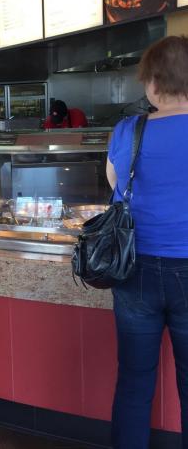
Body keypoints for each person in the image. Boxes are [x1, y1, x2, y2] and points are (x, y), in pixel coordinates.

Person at [106, 35, 188, 448]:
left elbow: (115, 185)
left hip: (134, 267)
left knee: (135, 380)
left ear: (153, 82)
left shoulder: (128, 130)